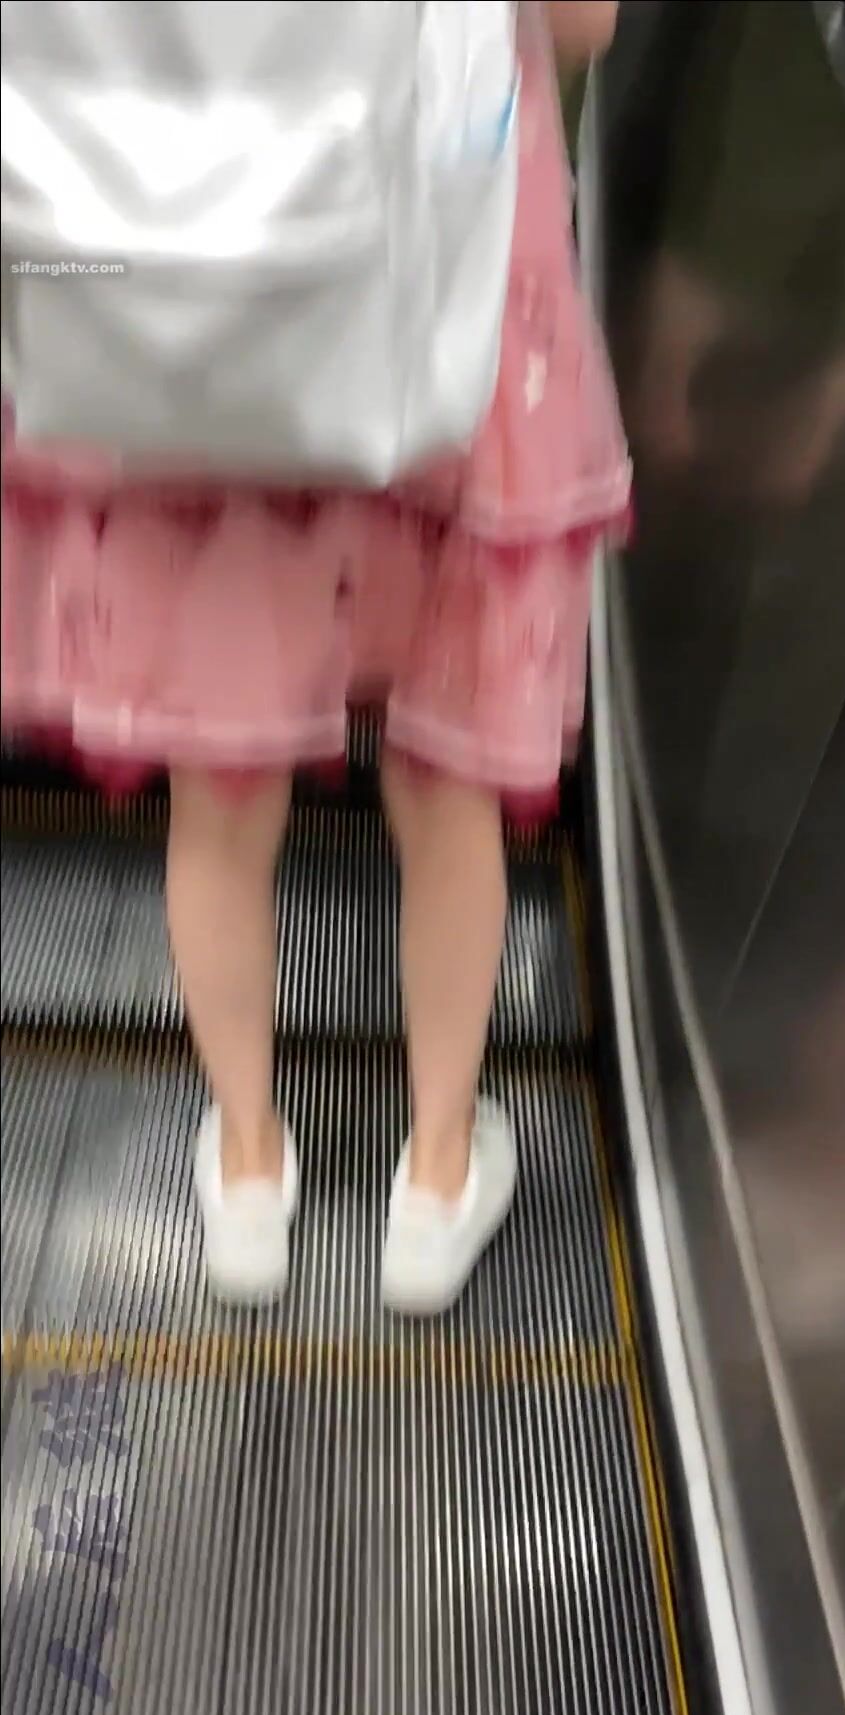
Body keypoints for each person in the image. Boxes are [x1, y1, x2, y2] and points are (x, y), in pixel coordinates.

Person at [0, 0, 629, 1312]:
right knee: (447, 786)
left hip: (189, 308)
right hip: (442, 300)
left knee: (221, 793)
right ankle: (438, 1181)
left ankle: (246, 1172)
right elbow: (582, 25)